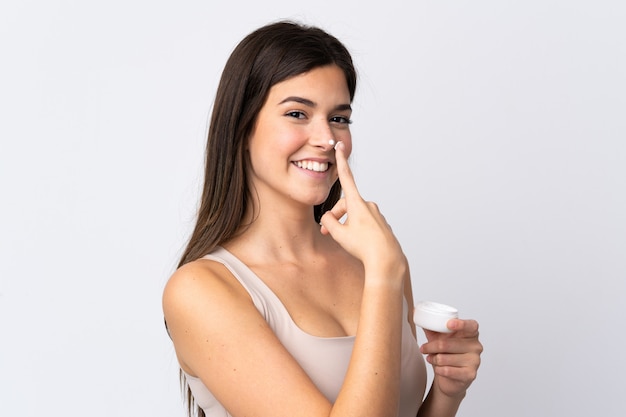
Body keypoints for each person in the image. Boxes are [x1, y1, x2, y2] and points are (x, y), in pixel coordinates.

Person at [162, 21, 483, 417]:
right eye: (297, 113)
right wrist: (383, 274)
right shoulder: (200, 291)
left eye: (339, 118)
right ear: (242, 127)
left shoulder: (373, 258)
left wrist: (447, 394)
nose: (327, 138)